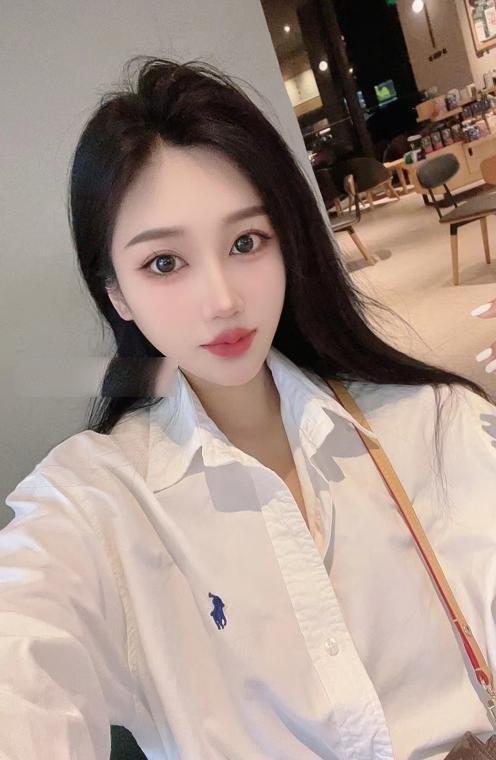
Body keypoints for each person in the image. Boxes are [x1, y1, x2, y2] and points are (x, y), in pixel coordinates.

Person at [1, 55, 496, 760]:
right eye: (164, 263)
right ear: (116, 294)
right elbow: (23, 652)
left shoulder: (431, 425)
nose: (222, 300)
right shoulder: (95, 506)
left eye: (245, 242)